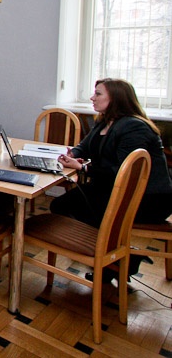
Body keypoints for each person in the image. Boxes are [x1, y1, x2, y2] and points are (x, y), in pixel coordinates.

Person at [52, 79, 172, 280]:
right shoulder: (105, 121)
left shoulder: (134, 127)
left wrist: (83, 167)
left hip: (148, 199)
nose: (92, 97)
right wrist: (73, 154)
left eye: (98, 94)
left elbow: (124, 172)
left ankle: (112, 258)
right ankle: (116, 257)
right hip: (117, 189)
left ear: (116, 98)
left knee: (70, 206)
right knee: (63, 205)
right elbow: (84, 146)